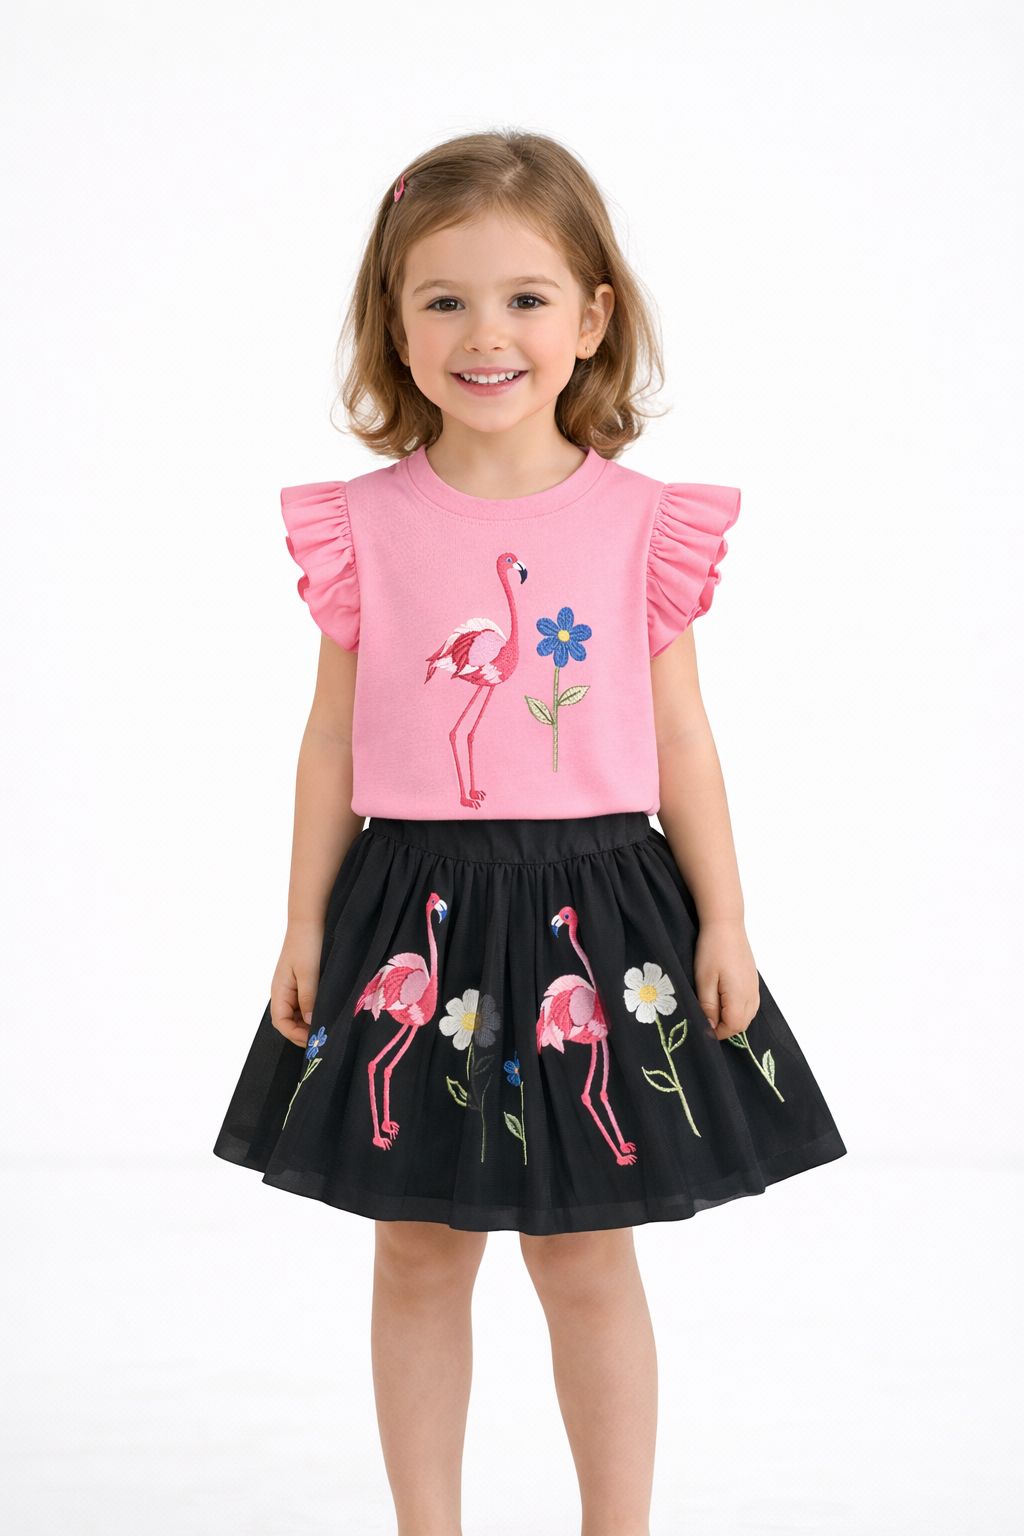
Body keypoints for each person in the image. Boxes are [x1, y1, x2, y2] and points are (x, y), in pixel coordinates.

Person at [213, 129, 847, 1536]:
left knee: (586, 1259)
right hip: (410, 901)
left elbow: (684, 737)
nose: (485, 333)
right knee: (418, 1252)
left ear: (592, 318)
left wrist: (727, 919)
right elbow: (331, 740)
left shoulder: (643, 525)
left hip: (601, 900)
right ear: (394, 321)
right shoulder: (361, 526)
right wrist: (304, 922)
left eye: (524, 298)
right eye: (443, 299)